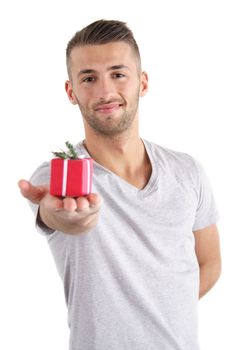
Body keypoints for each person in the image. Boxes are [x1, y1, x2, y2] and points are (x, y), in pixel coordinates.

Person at [18, 19, 221, 350]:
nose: (105, 91)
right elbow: (61, 214)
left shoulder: (188, 173)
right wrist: (69, 215)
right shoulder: (59, 176)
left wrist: (160, 313)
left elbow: (210, 263)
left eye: (118, 74)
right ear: (71, 92)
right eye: (88, 78)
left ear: (142, 83)